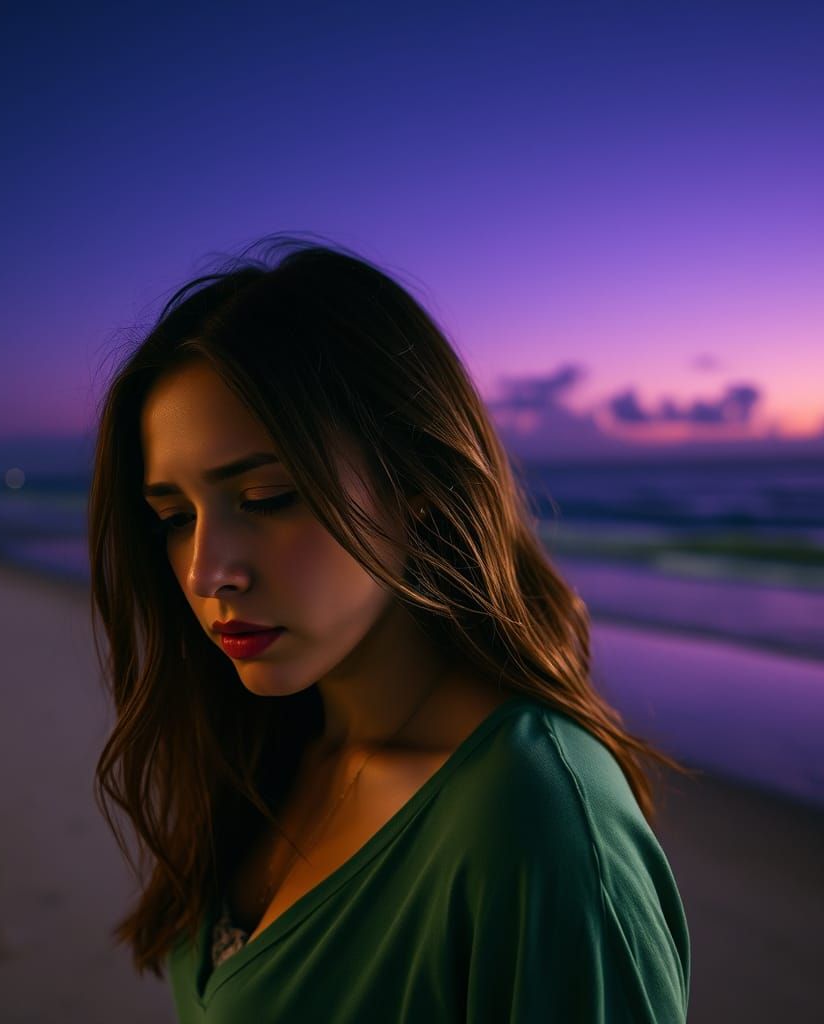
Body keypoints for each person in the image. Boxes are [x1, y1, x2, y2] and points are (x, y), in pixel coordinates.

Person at [88, 237, 692, 1022]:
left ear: (417, 485)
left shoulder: (534, 819)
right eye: (174, 517)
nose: (207, 572)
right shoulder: (269, 748)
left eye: (268, 497)